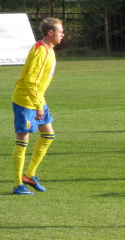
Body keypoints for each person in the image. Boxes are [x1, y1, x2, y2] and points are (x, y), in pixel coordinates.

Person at [11, 18, 64, 195]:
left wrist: (40, 103)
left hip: (38, 100)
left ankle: (30, 175)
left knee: (48, 135)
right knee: (22, 142)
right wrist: (37, 105)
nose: (62, 34)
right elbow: (30, 80)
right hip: (26, 101)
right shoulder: (41, 51)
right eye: (60, 31)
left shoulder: (49, 49)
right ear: (50, 33)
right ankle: (18, 184)